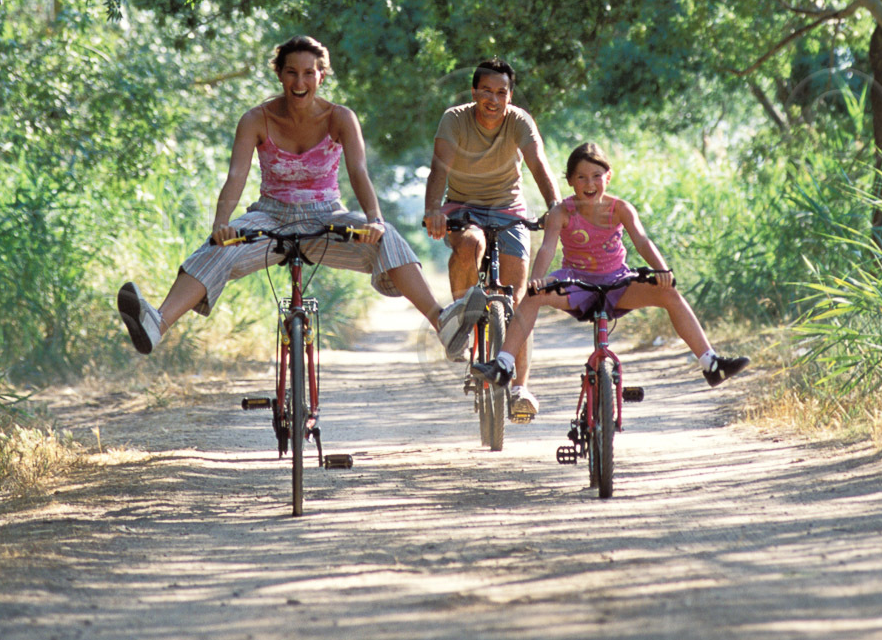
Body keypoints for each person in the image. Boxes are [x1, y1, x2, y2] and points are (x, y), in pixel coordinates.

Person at [116, 35, 484, 360]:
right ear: (279, 74)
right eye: (291, 72)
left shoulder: (340, 117)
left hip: (327, 218)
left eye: (309, 73)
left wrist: (373, 217)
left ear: (322, 76)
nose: (300, 81)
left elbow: (358, 172)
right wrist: (221, 224)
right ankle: (156, 323)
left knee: (387, 236)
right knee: (216, 247)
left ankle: (443, 323)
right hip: (270, 216)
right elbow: (236, 177)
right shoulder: (255, 119)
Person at [474, 141, 749, 391]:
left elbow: (642, 241)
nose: (589, 183)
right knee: (531, 297)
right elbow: (547, 248)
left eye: (596, 176)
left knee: (670, 294)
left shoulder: (620, 209)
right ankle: (504, 365)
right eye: (581, 177)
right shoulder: (561, 212)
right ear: (570, 181)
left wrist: (663, 270)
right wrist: (537, 279)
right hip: (576, 283)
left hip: (617, 282)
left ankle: (711, 364)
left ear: (608, 176)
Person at [424, 59, 560, 421]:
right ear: (474, 92)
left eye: (502, 93)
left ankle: (520, 389)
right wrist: (433, 209)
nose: (494, 99)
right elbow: (440, 167)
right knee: (470, 244)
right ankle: (461, 325)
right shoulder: (454, 119)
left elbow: (538, 163)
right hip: (463, 208)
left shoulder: (519, 121)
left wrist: (555, 207)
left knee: (519, 299)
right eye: (487, 91)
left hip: (508, 209)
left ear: (509, 96)